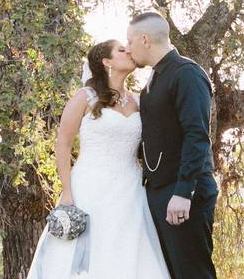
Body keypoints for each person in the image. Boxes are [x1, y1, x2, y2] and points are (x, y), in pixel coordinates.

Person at [26, 39, 171, 279]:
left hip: (130, 191)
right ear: (107, 62)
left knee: (129, 255)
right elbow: (62, 145)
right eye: (122, 50)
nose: (129, 52)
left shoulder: (138, 100)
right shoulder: (85, 97)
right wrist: (68, 193)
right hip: (90, 189)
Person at [127, 11, 218, 279]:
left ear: (145, 39)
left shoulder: (186, 74)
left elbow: (197, 135)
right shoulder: (151, 82)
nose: (128, 49)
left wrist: (183, 192)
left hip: (184, 193)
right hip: (159, 193)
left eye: (130, 42)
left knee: (193, 273)